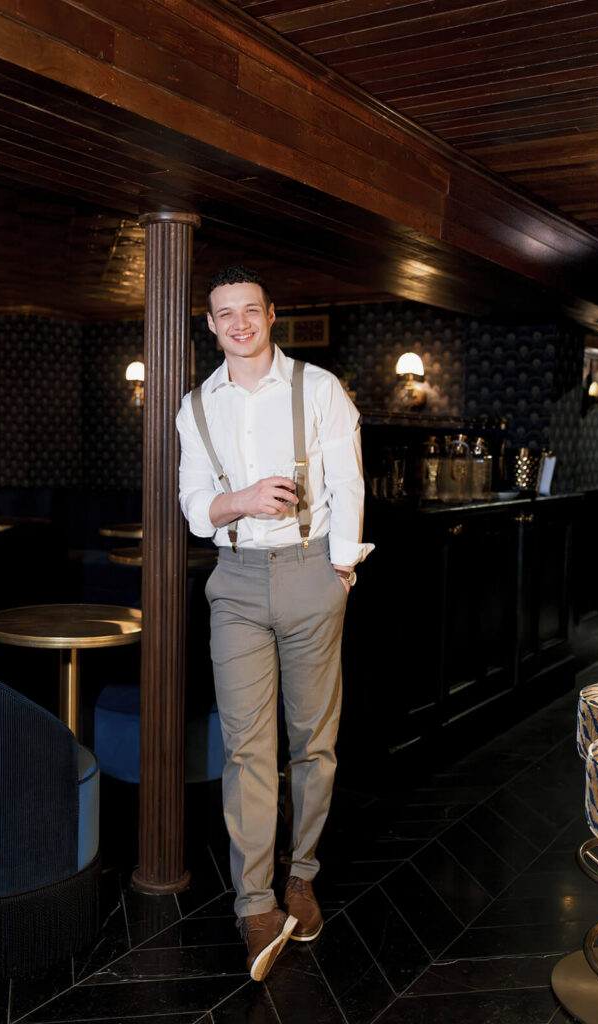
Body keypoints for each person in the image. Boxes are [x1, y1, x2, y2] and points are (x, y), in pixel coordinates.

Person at [176, 265, 372, 982]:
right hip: (234, 584)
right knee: (246, 748)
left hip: (310, 571)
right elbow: (196, 506)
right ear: (209, 324)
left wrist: (342, 567)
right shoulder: (194, 408)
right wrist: (241, 501)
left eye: (249, 310)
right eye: (224, 314)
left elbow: (348, 480)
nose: (238, 323)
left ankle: (302, 876)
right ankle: (254, 901)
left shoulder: (318, 389)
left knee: (312, 744)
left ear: (271, 316)